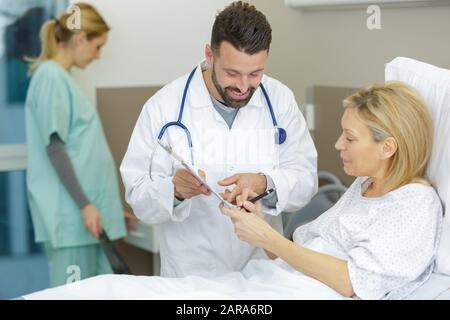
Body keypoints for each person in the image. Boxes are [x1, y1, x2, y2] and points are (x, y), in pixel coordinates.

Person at [24, 81, 443, 300]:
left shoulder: (414, 203)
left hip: (266, 291)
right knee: (107, 289)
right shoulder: (363, 188)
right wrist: (259, 225)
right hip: (251, 281)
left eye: (349, 139)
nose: (338, 146)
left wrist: (267, 227)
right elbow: (307, 257)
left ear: (388, 146)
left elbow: (354, 282)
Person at [120, 1, 317, 278]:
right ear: (209, 55)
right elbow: (139, 198)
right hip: (191, 277)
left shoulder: (279, 100)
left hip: (262, 276)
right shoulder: (164, 107)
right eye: (232, 73)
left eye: (255, 74)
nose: (243, 86)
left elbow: (306, 179)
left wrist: (265, 183)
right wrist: (175, 190)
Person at [25, 3, 136, 287]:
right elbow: (55, 148)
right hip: (73, 220)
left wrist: (107, 209)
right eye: (97, 46)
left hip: (88, 222)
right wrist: (86, 206)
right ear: (80, 38)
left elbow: (83, 151)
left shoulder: (64, 79)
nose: (98, 56)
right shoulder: (51, 77)